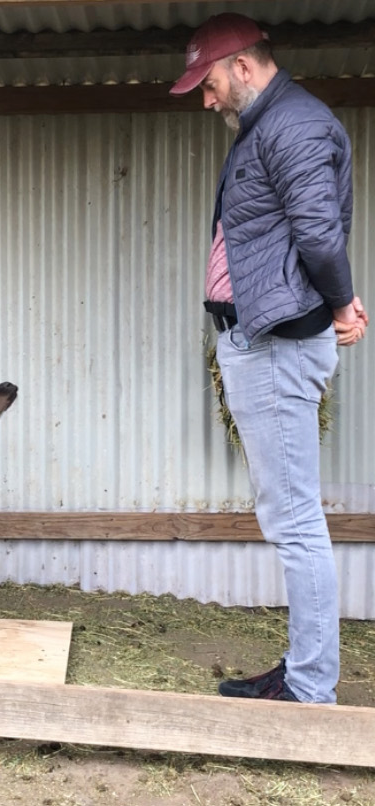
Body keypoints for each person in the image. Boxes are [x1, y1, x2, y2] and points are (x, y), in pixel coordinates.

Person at [171, 13, 366, 703]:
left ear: (245, 68)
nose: (207, 97)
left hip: (280, 345)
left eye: (211, 83)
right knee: (287, 515)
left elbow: (317, 230)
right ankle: (305, 668)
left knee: (295, 521)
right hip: (260, 342)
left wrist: (343, 304)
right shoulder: (271, 126)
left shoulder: (296, 126)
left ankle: (311, 688)